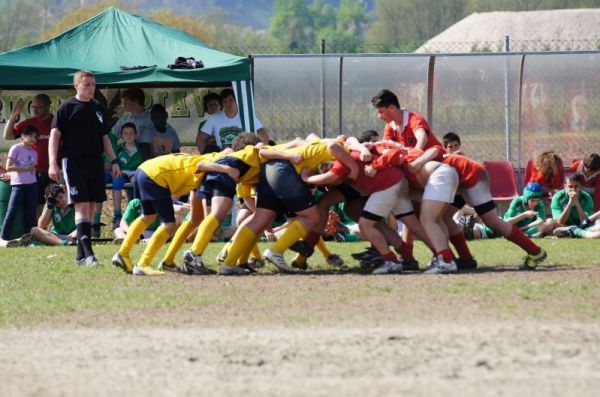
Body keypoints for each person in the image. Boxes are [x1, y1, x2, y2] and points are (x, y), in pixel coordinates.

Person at [111, 153, 238, 276]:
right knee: (169, 225)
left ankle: (125, 255)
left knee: (148, 216)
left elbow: (196, 218)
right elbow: (206, 163)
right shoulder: (214, 163)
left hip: (145, 170)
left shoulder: (205, 168)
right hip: (155, 176)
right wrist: (228, 169)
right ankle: (143, 264)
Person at [49, 70, 121, 266]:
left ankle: (80, 257)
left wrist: (114, 160)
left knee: (90, 208)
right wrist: (52, 163)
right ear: (76, 86)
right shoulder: (66, 107)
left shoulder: (97, 108)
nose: (91, 88)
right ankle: (90, 255)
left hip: (95, 163)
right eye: (87, 84)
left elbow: (104, 137)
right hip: (74, 162)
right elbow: (54, 136)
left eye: (93, 84)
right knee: (81, 206)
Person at [3, 94, 54, 217]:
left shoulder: (56, 121)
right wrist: (14, 115)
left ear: (48, 106)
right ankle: (36, 233)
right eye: (33, 107)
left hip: (54, 171)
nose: (35, 110)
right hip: (35, 173)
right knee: (37, 206)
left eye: (39, 107)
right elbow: (7, 136)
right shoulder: (29, 123)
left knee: (56, 205)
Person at [196, 88, 268, 153]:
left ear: (236, 101)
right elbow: (200, 139)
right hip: (223, 158)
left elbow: (264, 136)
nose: (228, 103)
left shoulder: (247, 117)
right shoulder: (214, 118)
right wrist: (206, 156)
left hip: (244, 157)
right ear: (222, 104)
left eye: (230, 100)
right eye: (225, 101)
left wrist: (258, 154)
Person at [0, 125, 38, 247]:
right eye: (30, 136)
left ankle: (31, 240)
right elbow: (8, 167)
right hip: (18, 185)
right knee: (11, 211)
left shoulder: (34, 152)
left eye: (35, 137)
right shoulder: (15, 148)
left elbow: (33, 168)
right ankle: (3, 238)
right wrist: (24, 168)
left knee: (31, 213)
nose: (33, 139)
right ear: (22, 136)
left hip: (32, 185)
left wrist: (30, 170)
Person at [371, 89, 442, 150]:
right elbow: (386, 145)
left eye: (381, 112)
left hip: (437, 161)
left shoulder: (414, 119)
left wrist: (414, 155)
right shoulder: (390, 126)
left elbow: (422, 138)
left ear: (392, 108)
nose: (379, 116)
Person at [107, 122, 144, 229]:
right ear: (122, 135)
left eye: (131, 133)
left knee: (136, 182)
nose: (128, 136)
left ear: (136, 134)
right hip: (122, 172)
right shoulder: (119, 149)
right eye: (125, 133)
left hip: (135, 172)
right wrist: (118, 168)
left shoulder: (140, 148)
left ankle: (139, 210)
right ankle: (117, 215)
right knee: (117, 181)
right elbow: (114, 162)